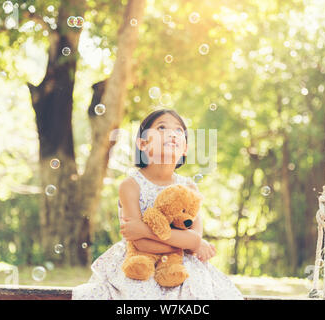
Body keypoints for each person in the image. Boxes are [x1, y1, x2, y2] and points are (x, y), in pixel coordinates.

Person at [72, 109, 243, 299]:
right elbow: (140, 243)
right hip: (139, 261)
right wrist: (185, 243)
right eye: (162, 127)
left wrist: (145, 230)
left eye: (179, 131)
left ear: (185, 148)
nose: (172, 133)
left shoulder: (188, 187)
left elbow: (194, 238)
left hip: (179, 266)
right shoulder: (131, 185)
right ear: (143, 143)